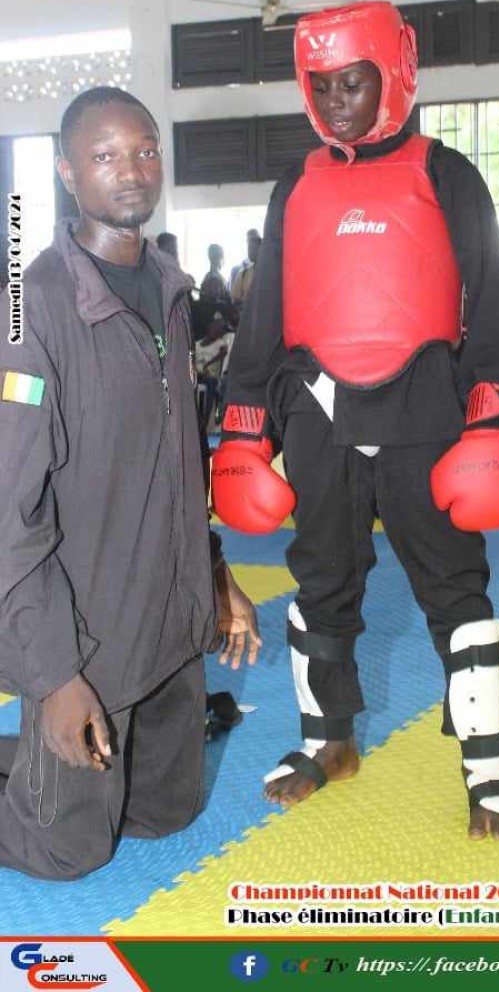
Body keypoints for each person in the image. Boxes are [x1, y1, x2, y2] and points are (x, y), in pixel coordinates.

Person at [212, 1, 499, 841]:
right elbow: (263, 320)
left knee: (452, 582)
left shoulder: (445, 170)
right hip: (317, 411)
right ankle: (328, 743)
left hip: (424, 409)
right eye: (320, 86)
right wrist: (246, 430)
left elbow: (494, 302)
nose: (337, 101)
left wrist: (495, 417)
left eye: (351, 81)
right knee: (320, 582)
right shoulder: (298, 184)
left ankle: (486, 761)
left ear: (394, 72)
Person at [0, 86, 260, 880]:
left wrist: (216, 580)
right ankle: (45, 726)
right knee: (67, 850)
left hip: (168, 624)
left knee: (165, 814)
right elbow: (10, 515)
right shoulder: (31, 304)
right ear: (68, 173)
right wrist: (54, 677)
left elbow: (179, 462)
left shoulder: (170, 289)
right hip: (85, 634)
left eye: (145, 150)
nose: (132, 170)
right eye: (106, 155)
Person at [230, 229, 261, 307]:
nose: (250, 251)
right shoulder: (243, 273)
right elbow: (235, 299)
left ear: (261, 249)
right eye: (249, 248)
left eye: (253, 248)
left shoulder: (268, 273)